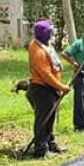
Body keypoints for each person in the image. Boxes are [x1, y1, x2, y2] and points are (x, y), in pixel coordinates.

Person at [26, 20, 70, 158]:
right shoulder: (38, 51)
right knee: (43, 120)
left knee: (50, 119)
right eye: (50, 32)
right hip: (42, 89)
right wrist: (61, 87)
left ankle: (50, 143)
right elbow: (46, 75)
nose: (52, 34)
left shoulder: (44, 44)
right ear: (44, 34)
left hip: (49, 89)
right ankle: (40, 150)